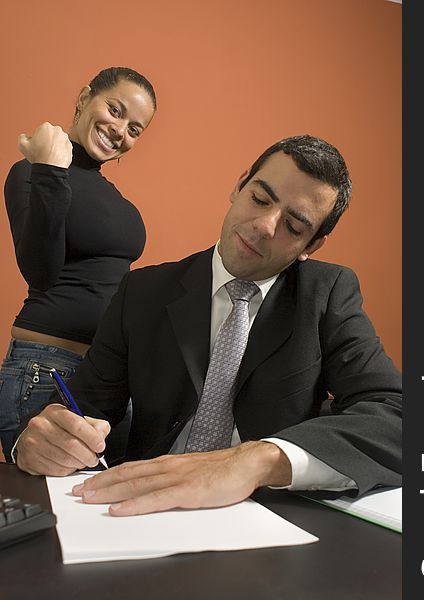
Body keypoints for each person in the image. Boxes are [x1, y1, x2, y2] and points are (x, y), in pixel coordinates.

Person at [14, 135, 402, 517]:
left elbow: (397, 415)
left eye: (295, 226)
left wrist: (258, 460)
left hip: (267, 518)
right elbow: (80, 410)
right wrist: (42, 440)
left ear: (311, 247)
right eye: (260, 199)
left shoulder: (327, 293)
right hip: (144, 511)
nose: (265, 226)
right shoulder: (143, 291)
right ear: (239, 186)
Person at [0, 66, 157, 461]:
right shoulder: (31, 172)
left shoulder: (113, 197)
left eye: (135, 129)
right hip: (47, 370)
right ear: (85, 97)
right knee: (55, 509)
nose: (120, 130)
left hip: (108, 378)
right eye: (115, 110)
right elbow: (39, 270)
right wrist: (51, 169)